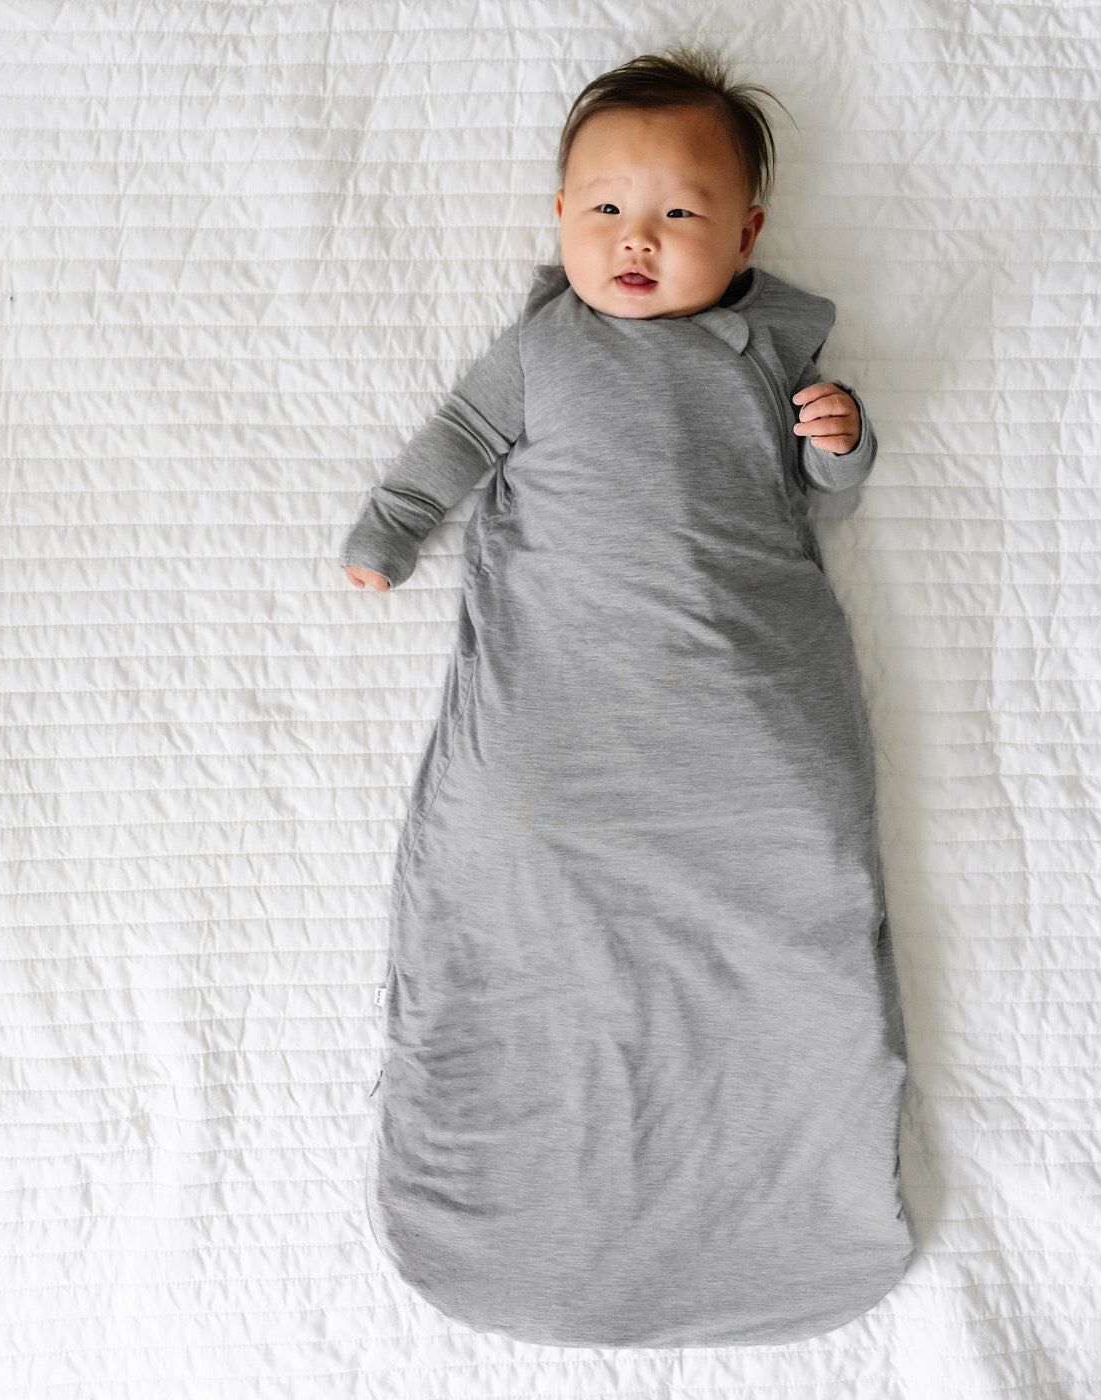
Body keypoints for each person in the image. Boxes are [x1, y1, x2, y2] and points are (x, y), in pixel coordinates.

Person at [338, 41, 913, 1349]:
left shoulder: (774, 355)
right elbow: (453, 448)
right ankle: (540, 1174)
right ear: (559, 219)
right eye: (605, 210)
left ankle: (774, 1182)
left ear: (748, 231)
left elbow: (832, 497)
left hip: (749, 721)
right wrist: (390, 533)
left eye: (680, 214)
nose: (636, 239)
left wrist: (841, 440)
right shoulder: (541, 353)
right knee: (523, 879)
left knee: (789, 893)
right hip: (564, 719)